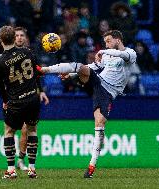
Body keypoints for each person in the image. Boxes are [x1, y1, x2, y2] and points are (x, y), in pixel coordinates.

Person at [40, 30, 137, 178]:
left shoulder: (130, 53)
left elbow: (123, 55)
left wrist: (103, 51)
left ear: (118, 40)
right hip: (98, 82)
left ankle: (91, 167)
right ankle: (43, 70)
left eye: (109, 41)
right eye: (105, 42)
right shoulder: (107, 54)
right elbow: (94, 67)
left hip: (108, 94)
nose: (106, 44)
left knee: (100, 125)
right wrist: (72, 74)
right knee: (80, 66)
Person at [0, 26, 45, 179]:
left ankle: (11, 170)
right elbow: (37, 74)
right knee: (32, 130)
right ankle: (32, 168)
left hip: (16, 101)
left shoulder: (0, 61)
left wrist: (5, 101)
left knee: (9, 131)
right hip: (33, 98)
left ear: (1, 40)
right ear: (14, 38)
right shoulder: (28, 52)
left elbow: (0, 86)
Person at [14, 26, 49, 172]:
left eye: (22, 35)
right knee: (20, 130)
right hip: (15, 96)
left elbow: (36, 74)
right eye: (17, 35)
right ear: (13, 38)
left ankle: (21, 160)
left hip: (31, 95)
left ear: (26, 38)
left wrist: (41, 91)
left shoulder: (30, 54)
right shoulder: (8, 55)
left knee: (29, 129)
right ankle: (19, 161)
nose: (20, 38)